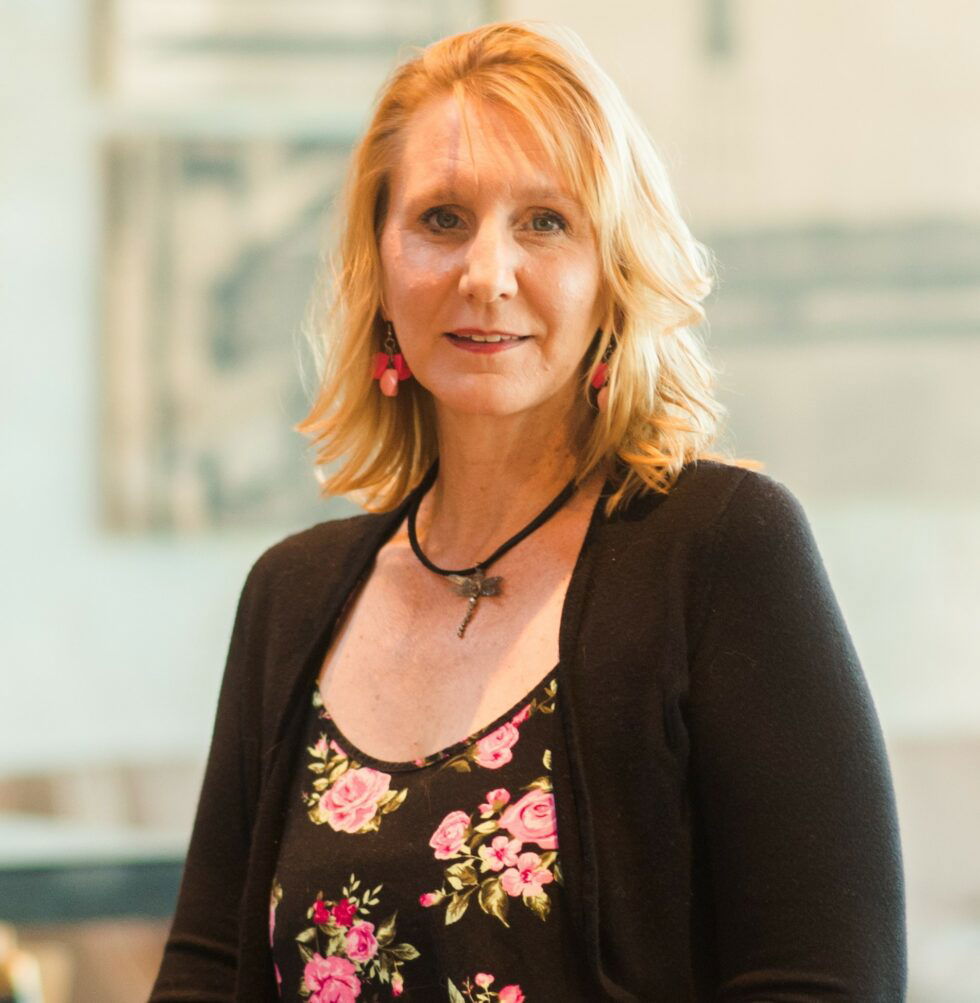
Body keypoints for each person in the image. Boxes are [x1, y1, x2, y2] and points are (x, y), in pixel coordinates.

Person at [150, 20, 906, 1003]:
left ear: (611, 274)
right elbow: (208, 972)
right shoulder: (289, 598)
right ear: (378, 270)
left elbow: (823, 981)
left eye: (544, 221)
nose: (487, 274)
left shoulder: (722, 550)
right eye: (441, 219)